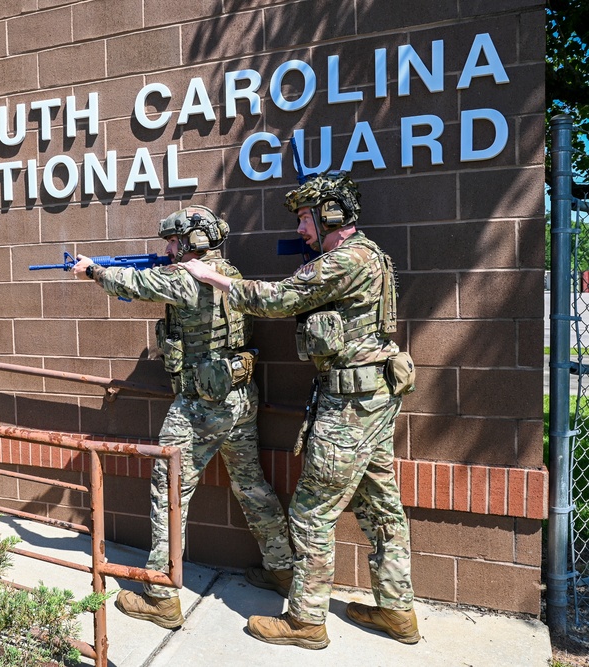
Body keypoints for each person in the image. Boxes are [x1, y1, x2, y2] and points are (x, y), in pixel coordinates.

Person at [183, 173, 419, 650]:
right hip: (372, 398)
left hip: (351, 405)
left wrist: (211, 276)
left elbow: (279, 298)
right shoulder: (367, 256)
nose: (301, 230)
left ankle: (306, 621)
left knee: (312, 510)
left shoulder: (345, 259)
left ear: (332, 214)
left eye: (305, 219)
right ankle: (397, 611)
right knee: (380, 505)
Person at [72, 205, 293, 630]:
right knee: (251, 485)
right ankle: (281, 567)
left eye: (174, 241)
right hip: (239, 396)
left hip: (200, 404)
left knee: (167, 485)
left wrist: (93, 271)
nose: (169, 249)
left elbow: (135, 283)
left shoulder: (187, 274)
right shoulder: (229, 271)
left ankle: (161, 594)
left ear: (192, 240)